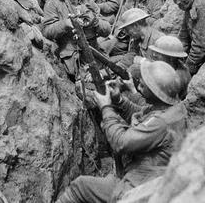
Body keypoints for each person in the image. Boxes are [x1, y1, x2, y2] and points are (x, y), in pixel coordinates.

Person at [56, 60, 187, 203]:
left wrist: (106, 107)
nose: (140, 82)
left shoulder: (162, 122)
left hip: (141, 186)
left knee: (80, 186)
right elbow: (142, 114)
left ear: (157, 92)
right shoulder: (171, 108)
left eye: (146, 83)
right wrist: (118, 100)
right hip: (145, 173)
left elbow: (120, 143)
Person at [41, 0, 110, 81]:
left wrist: (95, 21)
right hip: (72, 56)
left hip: (94, 53)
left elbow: (107, 30)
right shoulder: (53, 3)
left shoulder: (89, 2)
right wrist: (65, 24)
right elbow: (47, 31)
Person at [146, 35, 191, 99]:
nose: (154, 55)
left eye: (159, 53)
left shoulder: (176, 78)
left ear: (171, 58)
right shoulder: (172, 66)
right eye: (155, 52)